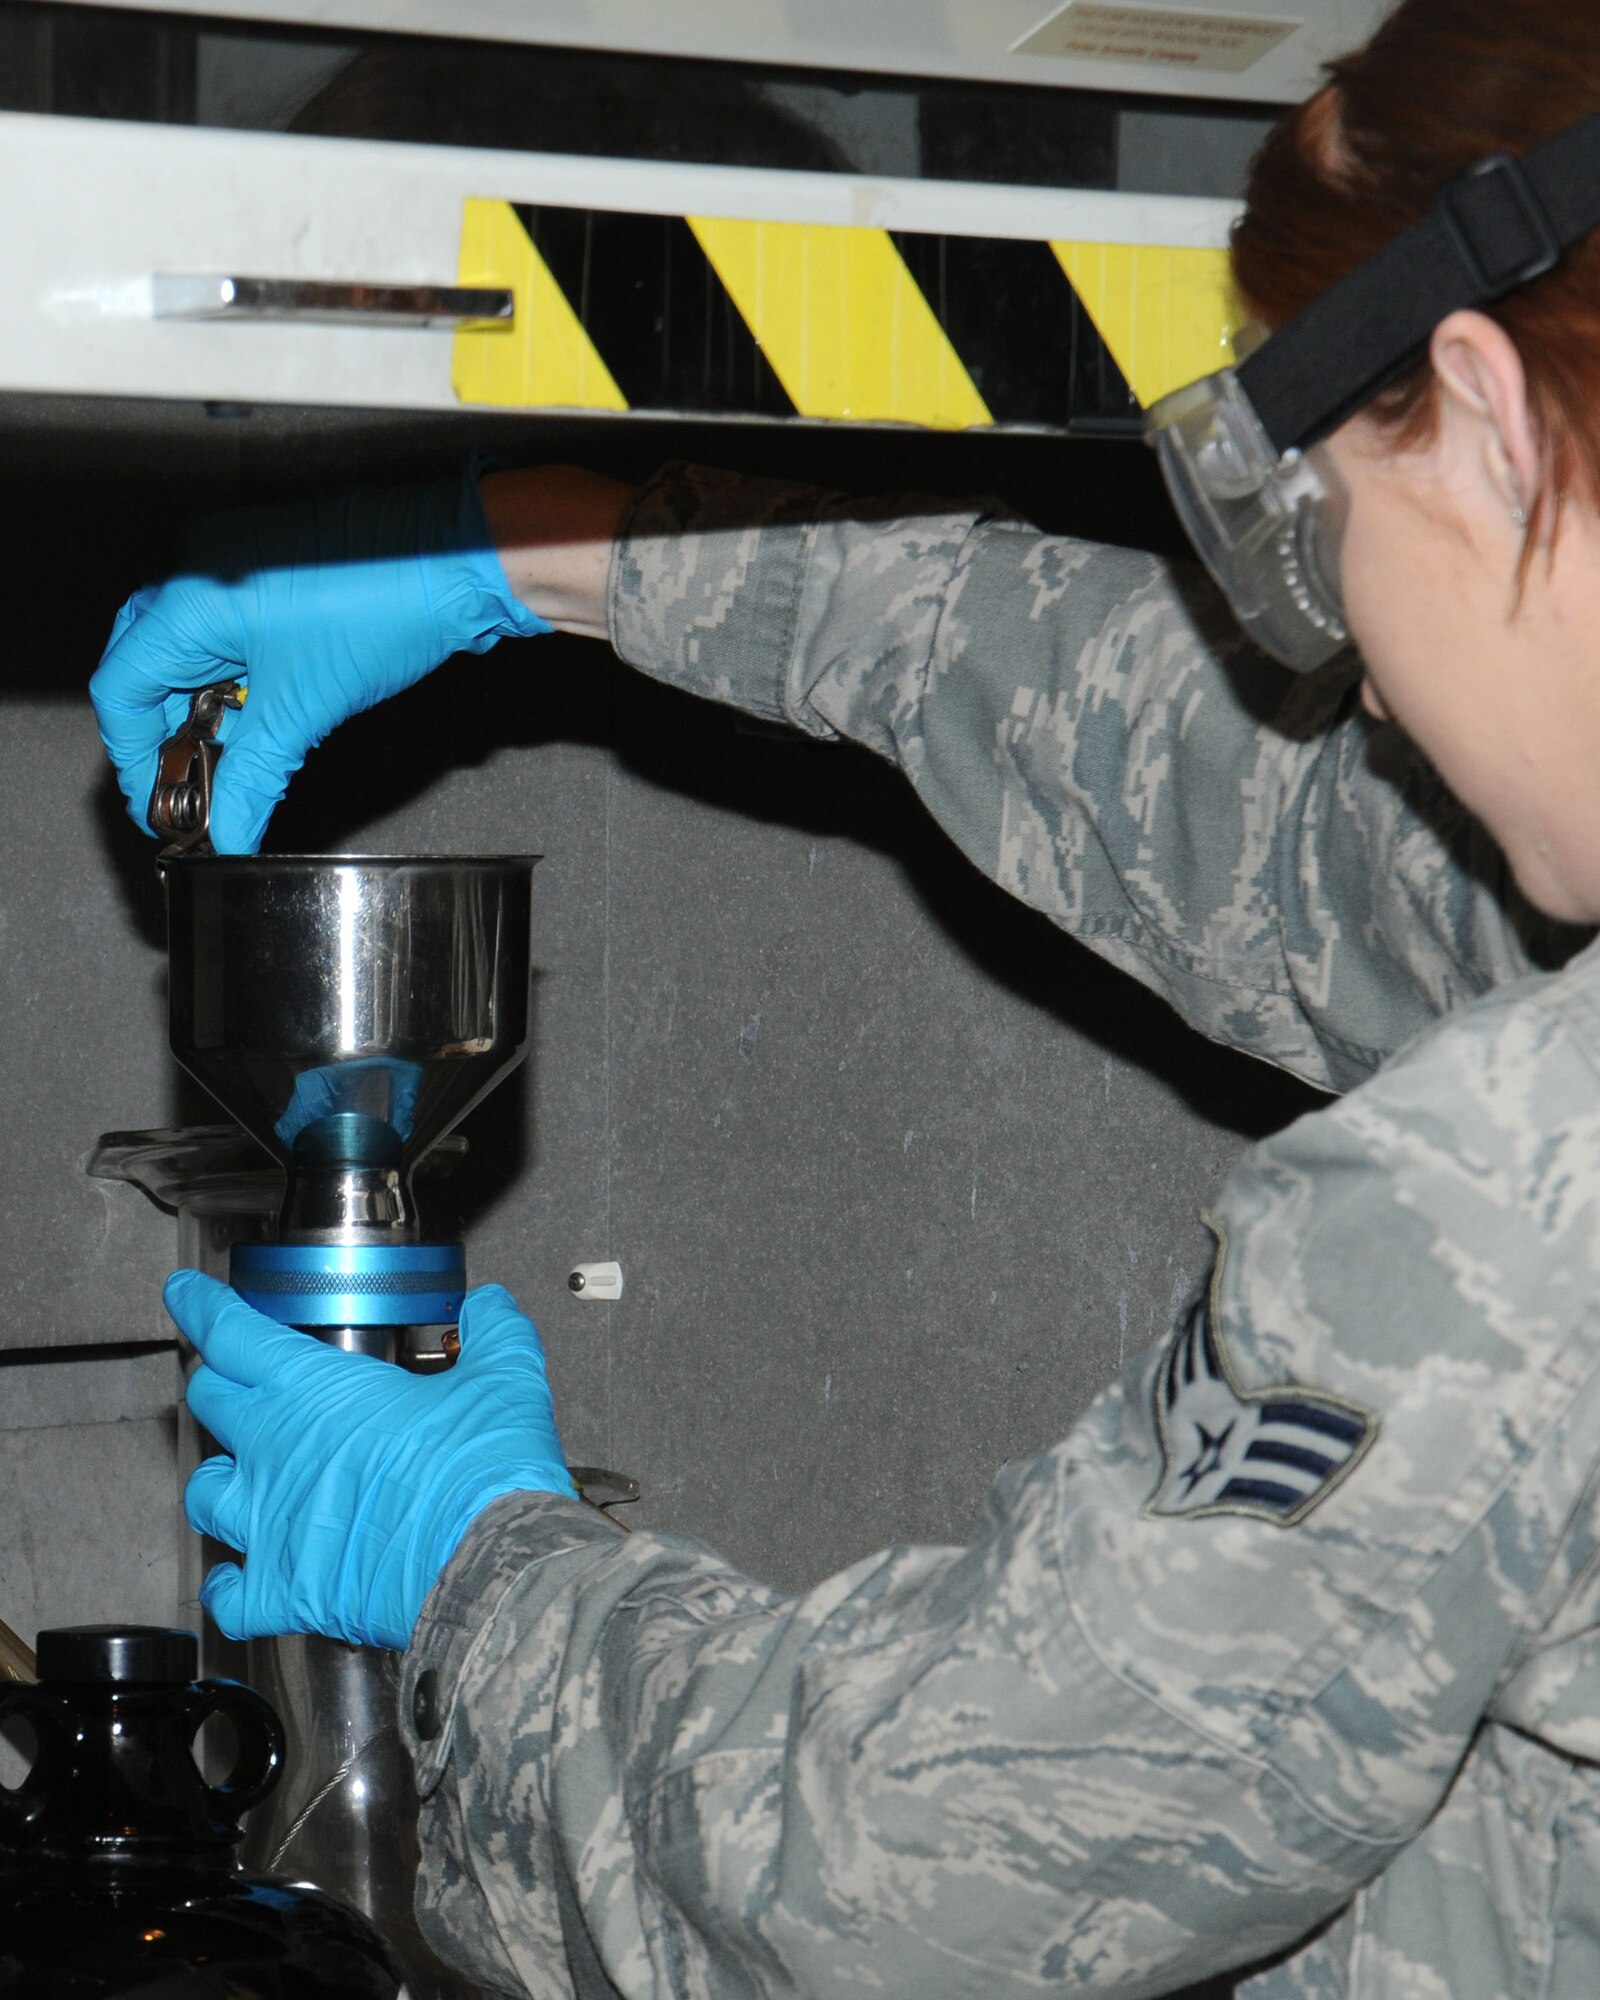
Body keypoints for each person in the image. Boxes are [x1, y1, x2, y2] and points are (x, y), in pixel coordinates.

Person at [88, 2, 1600, 1992]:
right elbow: (1280, 836)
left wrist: (468, 1574)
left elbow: (889, 1895)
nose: (1357, 673)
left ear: (1488, 416)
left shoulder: (1498, 1200)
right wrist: (530, 551)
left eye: (1309, 521)